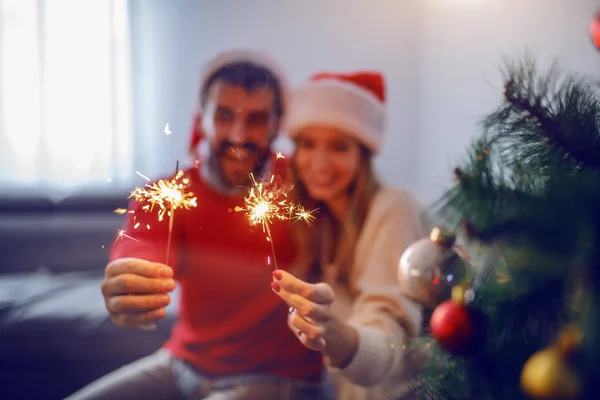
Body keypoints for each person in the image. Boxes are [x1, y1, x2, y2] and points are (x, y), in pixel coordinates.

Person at [66, 50, 329, 400]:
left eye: (256, 119)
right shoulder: (167, 192)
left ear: (278, 124)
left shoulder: (309, 186)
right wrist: (130, 276)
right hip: (181, 364)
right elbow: (142, 243)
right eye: (223, 115)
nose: (238, 135)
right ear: (200, 120)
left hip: (277, 379)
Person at [271, 71, 427, 399]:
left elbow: (387, 330)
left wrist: (338, 337)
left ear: (363, 155)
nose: (321, 164)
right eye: (308, 144)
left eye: (339, 147)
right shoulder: (317, 220)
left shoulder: (394, 209)